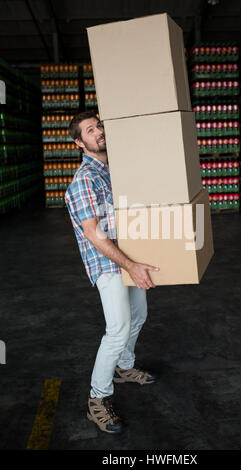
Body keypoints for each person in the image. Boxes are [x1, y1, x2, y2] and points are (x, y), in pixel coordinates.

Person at [65, 111, 159, 435]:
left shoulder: (111, 171)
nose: (99, 132)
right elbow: (94, 234)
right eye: (90, 130)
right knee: (117, 329)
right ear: (80, 142)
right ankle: (97, 399)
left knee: (139, 316)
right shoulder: (84, 181)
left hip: (130, 255)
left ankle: (125, 366)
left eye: (99, 125)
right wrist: (130, 265)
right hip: (108, 264)